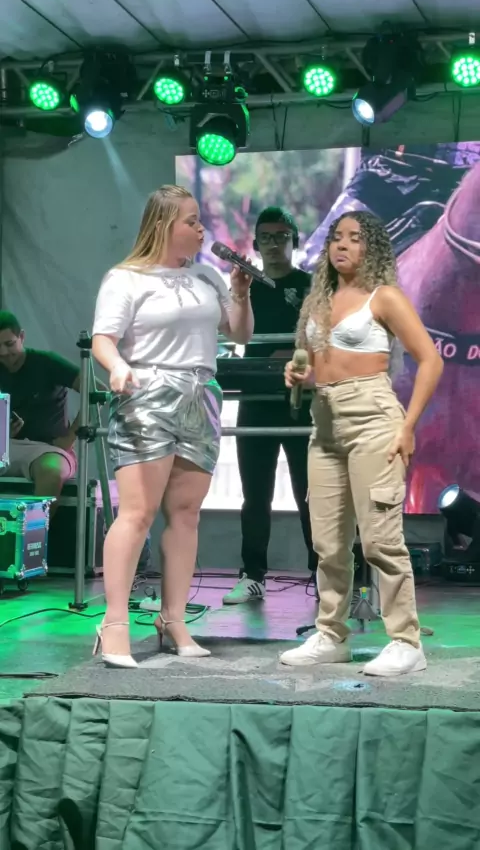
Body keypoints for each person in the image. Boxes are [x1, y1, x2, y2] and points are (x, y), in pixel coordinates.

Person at [91, 184, 253, 668]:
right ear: (164, 225)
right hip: (149, 393)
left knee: (186, 513)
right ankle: (114, 622)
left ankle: (174, 618)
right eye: (191, 220)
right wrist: (118, 367)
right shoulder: (126, 278)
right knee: (138, 512)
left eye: (200, 219)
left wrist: (241, 292)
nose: (201, 229)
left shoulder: (206, 275)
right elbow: (104, 340)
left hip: (201, 392)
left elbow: (239, 333)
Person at [280, 210, 443, 677]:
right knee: (328, 542)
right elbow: (321, 367)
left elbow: (431, 360)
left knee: (379, 540)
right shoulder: (319, 300)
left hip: (373, 419)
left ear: (371, 247)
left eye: (354, 238)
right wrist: (300, 374)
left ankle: (406, 642)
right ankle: (331, 635)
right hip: (325, 423)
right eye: (337, 236)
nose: (342, 244)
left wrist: (407, 425)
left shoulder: (383, 296)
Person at [223, 207, 316, 605]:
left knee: (310, 494)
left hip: (300, 401)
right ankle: (252, 575)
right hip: (255, 399)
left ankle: (323, 573)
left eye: (281, 237)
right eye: (266, 238)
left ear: (295, 240)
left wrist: (295, 355)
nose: (274, 245)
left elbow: (325, 339)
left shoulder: (312, 286)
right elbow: (232, 333)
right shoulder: (245, 286)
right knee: (255, 494)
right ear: (256, 244)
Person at [0, 311, 80, 513]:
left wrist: (69, 438)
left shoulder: (46, 362)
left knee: (52, 470)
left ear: (22, 337)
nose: (3, 353)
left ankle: (34, 532)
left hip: (47, 449)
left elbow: (96, 393)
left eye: (9, 344)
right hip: (4, 447)